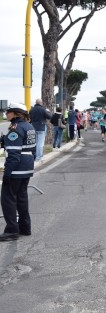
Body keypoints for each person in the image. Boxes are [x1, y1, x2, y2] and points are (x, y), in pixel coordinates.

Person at [0, 103, 35, 242]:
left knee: (7, 198)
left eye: (8, 111)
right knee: (21, 198)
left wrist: (7, 173)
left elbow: (14, 154)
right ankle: (25, 228)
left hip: (17, 168)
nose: (6, 114)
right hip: (27, 166)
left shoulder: (15, 128)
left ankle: (12, 231)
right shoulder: (28, 126)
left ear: (15, 113)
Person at [29, 98, 52, 162]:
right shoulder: (43, 109)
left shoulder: (31, 110)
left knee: (35, 143)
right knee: (40, 143)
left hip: (33, 127)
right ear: (41, 103)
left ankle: (35, 156)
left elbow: (29, 118)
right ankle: (39, 158)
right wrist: (48, 111)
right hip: (41, 127)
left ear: (36, 103)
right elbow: (49, 116)